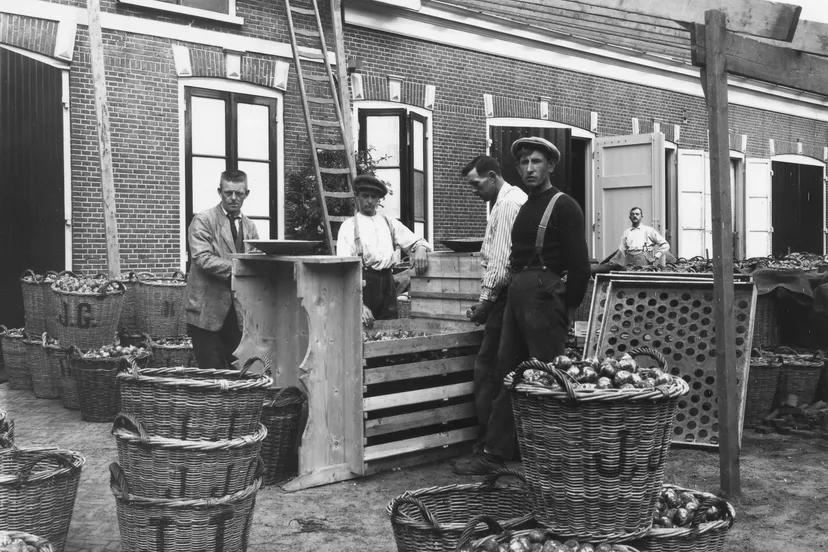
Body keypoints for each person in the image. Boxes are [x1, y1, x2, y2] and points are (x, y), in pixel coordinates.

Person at [453, 136, 591, 475]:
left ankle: (561, 457)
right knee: (507, 376)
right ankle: (495, 454)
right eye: (524, 163)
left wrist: (569, 311)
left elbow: (580, 267)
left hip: (545, 302)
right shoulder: (526, 206)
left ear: (551, 166)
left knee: (550, 379)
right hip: (517, 296)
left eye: (537, 162)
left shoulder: (564, 205)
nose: (530, 168)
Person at [461, 155, 527, 454]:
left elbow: (500, 265)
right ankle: (504, 442)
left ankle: (490, 443)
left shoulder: (508, 205)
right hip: (514, 297)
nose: (475, 192)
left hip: (505, 298)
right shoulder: (509, 201)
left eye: (476, 185)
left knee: (488, 368)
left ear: (491, 176)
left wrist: (484, 304)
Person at [185, 169, 260, 370]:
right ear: (220, 192)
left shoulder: (250, 226)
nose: (233, 198)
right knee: (213, 374)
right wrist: (241, 268)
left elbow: (256, 259)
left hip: (237, 313)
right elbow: (202, 258)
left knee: (241, 370)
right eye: (228, 193)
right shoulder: (203, 220)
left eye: (239, 193)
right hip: (207, 312)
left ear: (247, 194)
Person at [337, 174, 431, 326]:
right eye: (365, 196)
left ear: (378, 199)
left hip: (388, 285)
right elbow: (343, 270)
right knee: (362, 332)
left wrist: (420, 248)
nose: (369, 201)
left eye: (374, 197)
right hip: (362, 285)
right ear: (357, 197)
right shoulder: (348, 227)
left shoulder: (388, 222)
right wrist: (358, 304)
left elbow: (415, 241)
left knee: (391, 330)